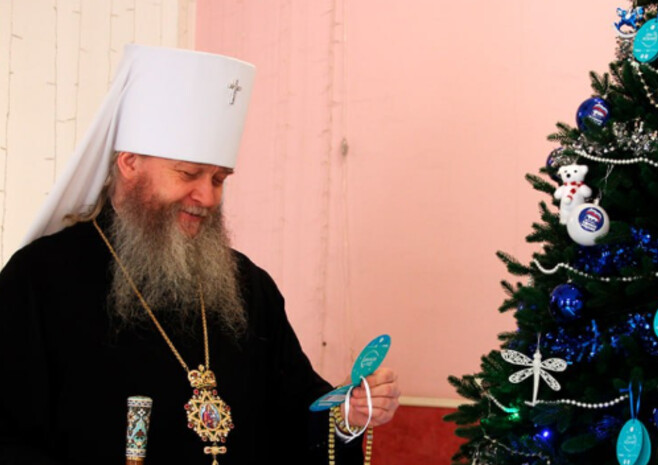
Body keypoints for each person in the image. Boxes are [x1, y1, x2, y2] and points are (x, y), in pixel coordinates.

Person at [0, 44, 399, 464]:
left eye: (219, 179)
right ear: (130, 163)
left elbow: (296, 413)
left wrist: (347, 415)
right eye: (188, 174)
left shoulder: (249, 287)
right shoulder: (39, 282)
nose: (207, 197)